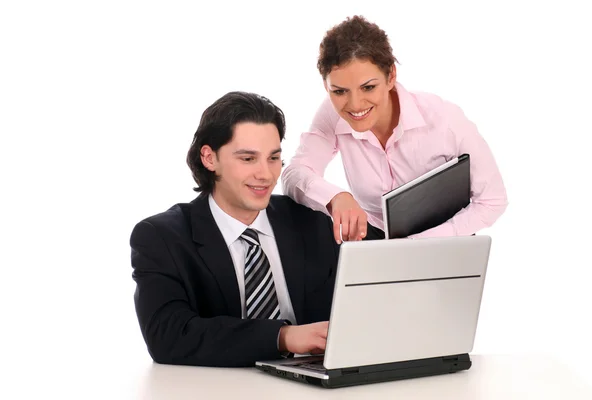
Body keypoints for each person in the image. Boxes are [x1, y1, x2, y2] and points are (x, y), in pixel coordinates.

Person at [129, 91, 340, 367]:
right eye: (248, 159)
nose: (265, 174)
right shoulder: (161, 238)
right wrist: (283, 336)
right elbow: (168, 336)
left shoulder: (313, 222)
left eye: (273, 158)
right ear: (209, 158)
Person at [282, 15, 508, 244]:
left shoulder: (444, 119)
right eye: (339, 91)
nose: (355, 104)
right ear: (326, 86)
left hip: (445, 239)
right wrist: (335, 197)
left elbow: (492, 201)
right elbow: (294, 173)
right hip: (374, 239)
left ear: (391, 76)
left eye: (368, 87)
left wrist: (417, 244)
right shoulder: (331, 113)